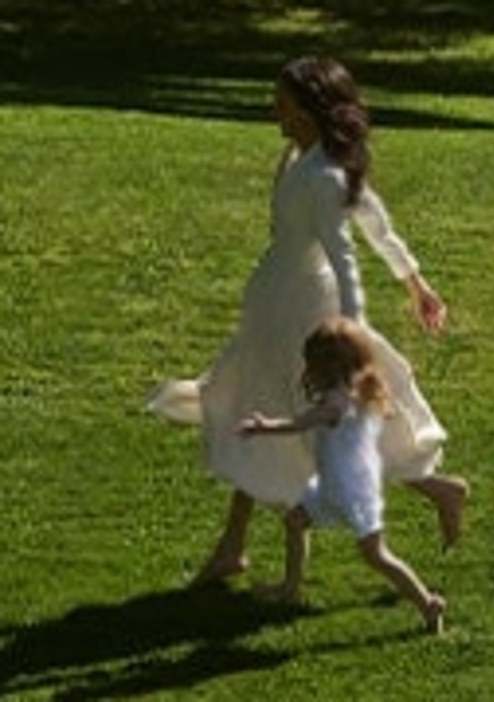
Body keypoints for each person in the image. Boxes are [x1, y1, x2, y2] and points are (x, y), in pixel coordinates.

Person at [148, 55, 469, 584]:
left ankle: (439, 488)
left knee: (323, 428)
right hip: (275, 307)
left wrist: (355, 334)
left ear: (309, 109)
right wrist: (416, 283)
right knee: (264, 410)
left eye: (284, 104)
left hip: (303, 312)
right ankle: (234, 544)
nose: (275, 111)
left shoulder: (320, 175)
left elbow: (347, 255)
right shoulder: (303, 160)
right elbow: (374, 220)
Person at [237, 318, 446, 634]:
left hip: (350, 492)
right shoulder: (361, 390)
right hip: (341, 485)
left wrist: (264, 426)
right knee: (296, 520)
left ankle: (427, 603)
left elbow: (301, 423)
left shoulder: (336, 403)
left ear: (325, 367)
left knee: (376, 555)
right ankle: (290, 588)